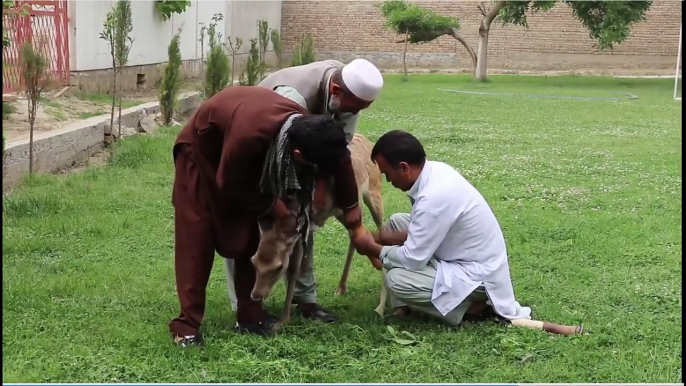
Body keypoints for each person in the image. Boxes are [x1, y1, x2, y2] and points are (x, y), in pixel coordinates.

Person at [169, 86, 353, 346]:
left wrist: (351, 204)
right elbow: (229, 183)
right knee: (196, 237)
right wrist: (273, 206)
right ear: (298, 155)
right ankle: (186, 325)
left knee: (247, 236)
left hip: (240, 156)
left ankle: (250, 316)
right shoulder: (251, 136)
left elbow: (340, 161)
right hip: (201, 154)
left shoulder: (305, 126)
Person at [352, 130, 532, 327]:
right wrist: (384, 238)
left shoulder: (434, 196)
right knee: (397, 221)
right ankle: (404, 307)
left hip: (478, 276)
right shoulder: (435, 170)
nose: (387, 181)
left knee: (398, 280)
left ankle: (470, 308)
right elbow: (428, 230)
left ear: (404, 168)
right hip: (458, 253)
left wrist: (372, 248)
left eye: (387, 174)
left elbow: (413, 259)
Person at [257, 58, 384, 323]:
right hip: (264, 153)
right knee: (260, 233)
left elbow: (337, 152)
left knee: (302, 221)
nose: (355, 113)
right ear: (336, 90)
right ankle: (249, 306)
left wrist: (342, 202)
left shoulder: (348, 95)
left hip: (301, 151)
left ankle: (306, 301)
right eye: (356, 107)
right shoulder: (293, 96)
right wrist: (277, 202)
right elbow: (277, 147)